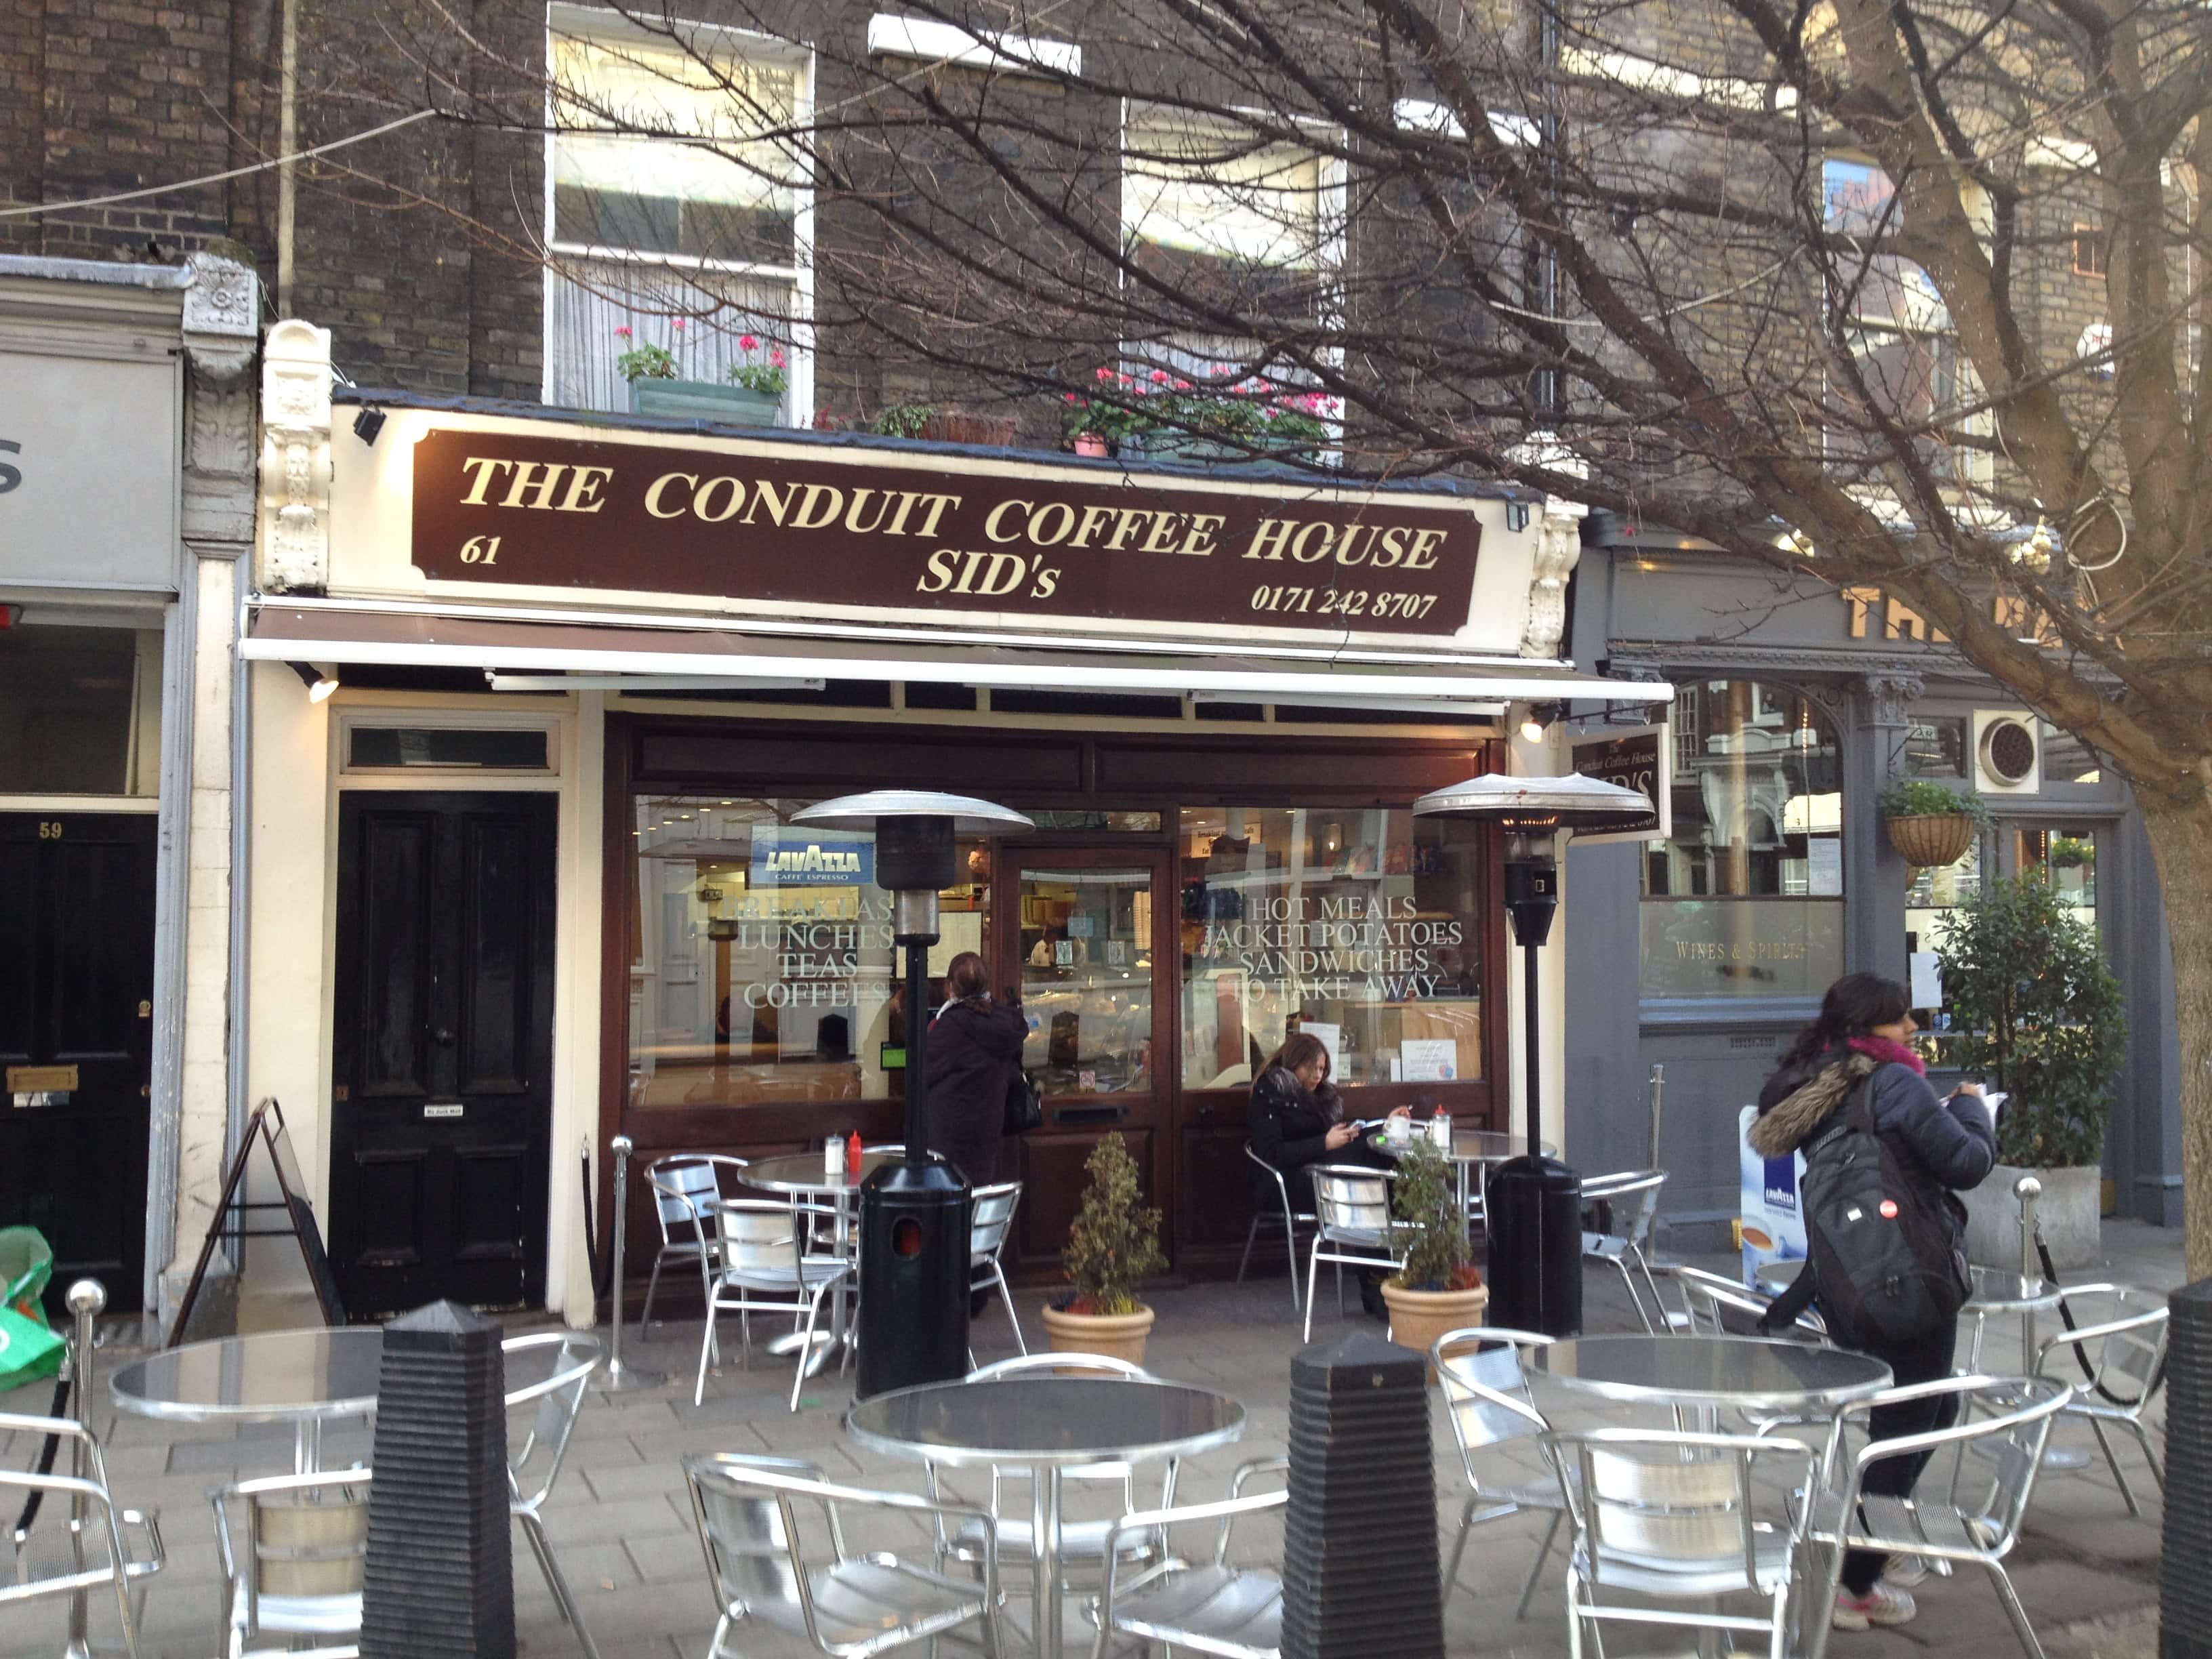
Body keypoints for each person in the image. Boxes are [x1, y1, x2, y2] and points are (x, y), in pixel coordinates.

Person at [1748, 971, 1994, 1633]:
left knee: (1932, 1405)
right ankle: (1854, 1580)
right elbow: (1968, 1163)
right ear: (1868, 1030)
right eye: (1900, 1020)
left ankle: (1876, 1545)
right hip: (1910, 1278)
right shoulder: (1893, 1083)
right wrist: (1971, 1108)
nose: (1912, 1029)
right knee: (1904, 1426)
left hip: (1848, 1283)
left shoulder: (1815, 1086)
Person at [1247, 1033, 1406, 1317]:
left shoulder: (1323, 1097)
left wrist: (1385, 1128)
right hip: (1284, 1183)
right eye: (1311, 1069)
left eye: (1322, 1069)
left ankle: (1385, 1281)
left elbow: (1343, 1138)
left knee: (1372, 1161)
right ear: (1293, 1064)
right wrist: (1323, 1144)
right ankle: (1379, 1284)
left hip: (1324, 1176)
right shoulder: (1270, 1092)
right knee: (1366, 1177)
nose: (1317, 1076)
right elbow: (1271, 1154)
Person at [920, 951, 1029, 1186]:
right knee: (976, 1200)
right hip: (987, 1130)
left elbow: (921, 1073)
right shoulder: (1004, 1022)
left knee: (948, 1209)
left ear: (950, 987)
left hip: (946, 1137)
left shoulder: (949, 1027)